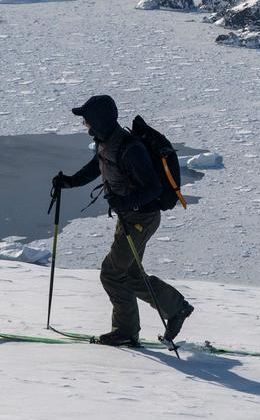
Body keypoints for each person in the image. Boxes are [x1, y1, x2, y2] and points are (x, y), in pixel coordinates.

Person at [52, 94, 192, 348]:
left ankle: (126, 331)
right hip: (131, 216)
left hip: (141, 217)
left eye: (87, 120)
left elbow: (153, 188)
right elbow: (98, 166)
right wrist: (69, 181)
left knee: (112, 273)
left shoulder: (131, 150)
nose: (85, 125)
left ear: (99, 121)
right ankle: (176, 307)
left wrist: (125, 203)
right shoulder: (108, 142)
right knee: (128, 273)